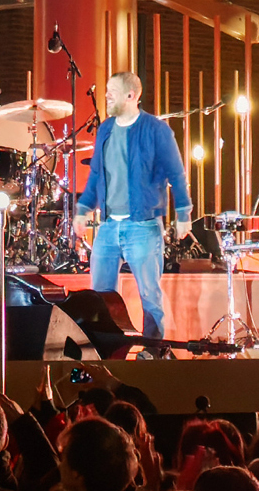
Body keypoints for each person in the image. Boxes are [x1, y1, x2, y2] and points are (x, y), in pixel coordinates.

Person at [77, 72, 191, 344]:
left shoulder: (156, 130)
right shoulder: (105, 129)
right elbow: (96, 174)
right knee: (99, 297)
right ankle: (105, 350)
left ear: (131, 95)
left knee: (149, 296)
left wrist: (183, 213)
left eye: (112, 91)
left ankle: (152, 352)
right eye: (107, 90)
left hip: (143, 226)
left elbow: (176, 174)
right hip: (108, 227)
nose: (106, 96)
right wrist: (83, 208)